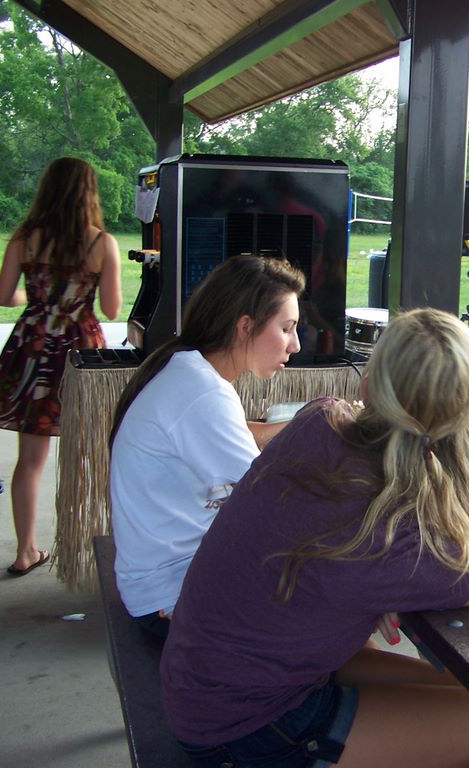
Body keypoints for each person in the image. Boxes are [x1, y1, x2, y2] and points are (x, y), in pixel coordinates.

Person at [161, 308, 469, 768]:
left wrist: (379, 588)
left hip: (208, 682)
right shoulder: (395, 543)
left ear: (369, 387)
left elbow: (348, 545)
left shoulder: (319, 422)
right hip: (245, 728)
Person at [109, 255, 305, 639]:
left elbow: (242, 435)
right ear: (245, 327)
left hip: (169, 580)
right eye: (286, 329)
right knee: (339, 617)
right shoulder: (202, 393)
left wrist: (310, 421)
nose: (295, 345)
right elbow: (273, 501)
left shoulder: (189, 370)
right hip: (170, 596)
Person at [0, 157, 122, 576]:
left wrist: (38, 300)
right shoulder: (102, 243)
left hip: (33, 349)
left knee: (30, 459)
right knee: (87, 453)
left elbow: (4, 297)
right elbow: (112, 309)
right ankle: (87, 540)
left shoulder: (25, 238)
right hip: (79, 353)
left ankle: (25, 551)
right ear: (89, 193)